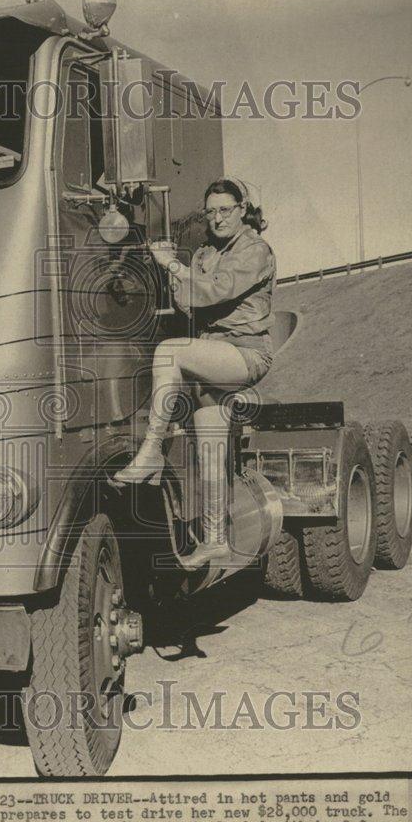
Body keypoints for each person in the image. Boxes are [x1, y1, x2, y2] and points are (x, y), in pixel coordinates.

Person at [113, 176, 277, 569]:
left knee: (169, 352)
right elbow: (191, 303)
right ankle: (217, 541)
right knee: (210, 452)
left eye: (226, 210)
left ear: (243, 211)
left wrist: (174, 265)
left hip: (244, 354)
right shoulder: (204, 253)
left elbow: (215, 291)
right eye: (211, 211)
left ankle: (151, 451)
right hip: (212, 354)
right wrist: (176, 274)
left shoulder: (255, 250)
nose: (217, 218)